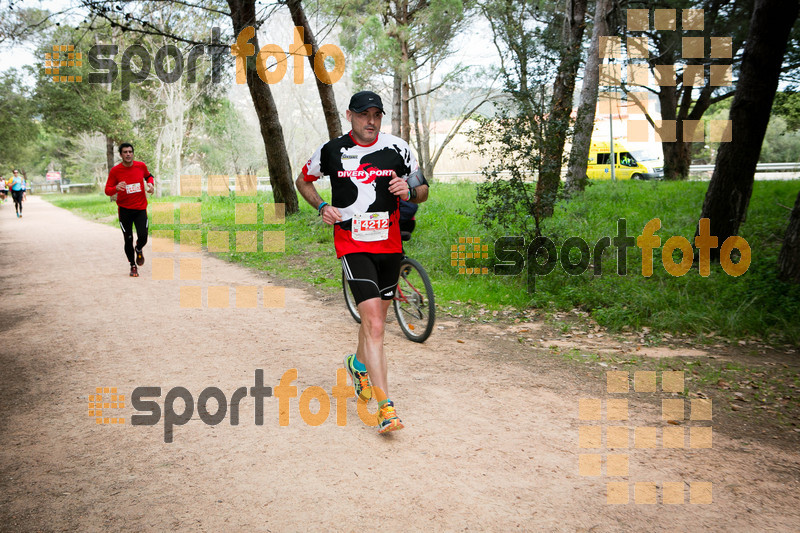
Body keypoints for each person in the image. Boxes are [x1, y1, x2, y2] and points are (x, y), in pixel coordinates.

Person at [296, 90, 429, 434]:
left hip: (389, 244)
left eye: (377, 115)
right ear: (350, 115)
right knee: (376, 325)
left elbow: (423, 188)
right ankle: (386, 408)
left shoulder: (399, 149)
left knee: (376, 321)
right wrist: (322, 206)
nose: (371, 121)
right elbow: (303, 180)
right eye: (364, 114)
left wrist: (409, 191)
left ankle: (357, 365)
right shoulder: (331, 151)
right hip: (352, 243)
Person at [104, 143, 155, 277]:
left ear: (133, 153)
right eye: (125, 152)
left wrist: (150, 184)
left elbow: (149, 176)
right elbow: (107, 190)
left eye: (130, 152)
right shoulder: (115, 171)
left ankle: (139, 248)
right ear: (120, 155)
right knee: (128, 239)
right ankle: (133, 265)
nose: (128, 154)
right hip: (125, 210)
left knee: (143, 236)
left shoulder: (140, 166)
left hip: (140, 209)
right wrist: (116, 188)